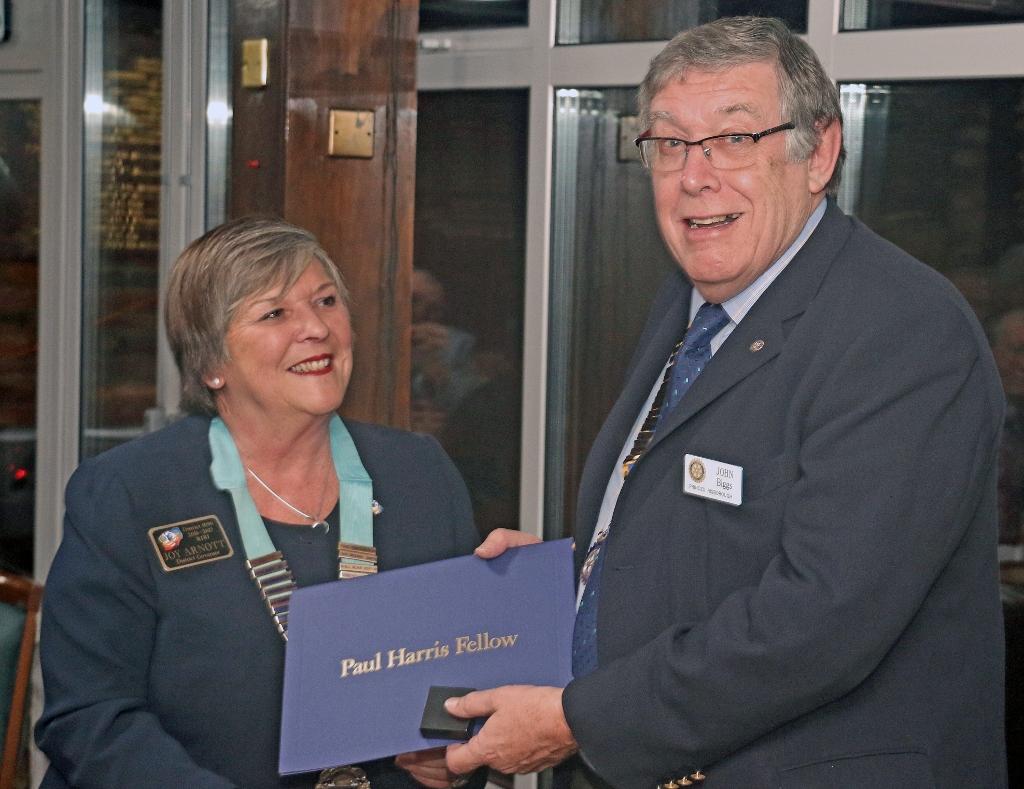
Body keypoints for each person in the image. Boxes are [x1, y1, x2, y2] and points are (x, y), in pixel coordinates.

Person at [443, 16, 1007, 788]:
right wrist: (565, 582)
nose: (695, 176)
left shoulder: (901, 331)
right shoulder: (693, 300)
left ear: (822, 152)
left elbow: (820, 619)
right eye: (670, 144)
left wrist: (579, 720)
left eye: (735, 140)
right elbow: (712, 526)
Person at [35, 218, 483, 789]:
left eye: (325, 301)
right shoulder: (129, 493)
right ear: (209, 365)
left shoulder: (420, 473)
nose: (316, 328)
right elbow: (90, 720)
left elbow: (464, 683)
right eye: (275, 314)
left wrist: (455, 750)